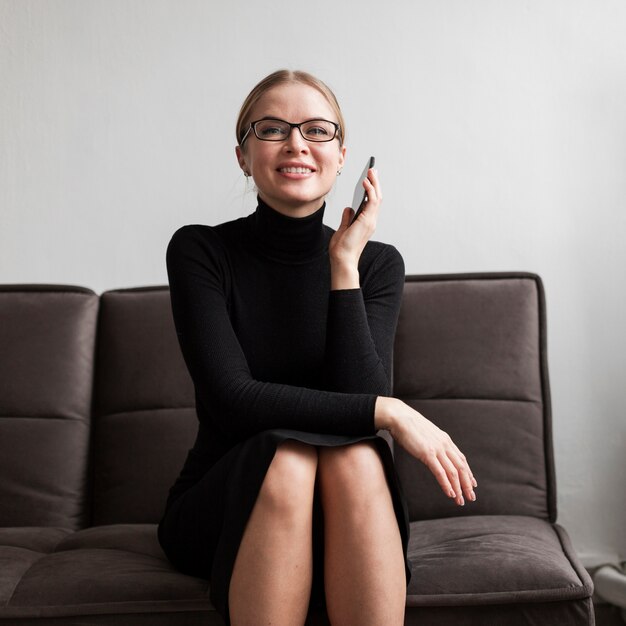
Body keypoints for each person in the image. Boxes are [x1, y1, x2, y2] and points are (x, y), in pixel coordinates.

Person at [158, 69, 477, 626]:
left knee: (355, 457)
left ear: (342, 154)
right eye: (273, 128)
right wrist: (390, 411)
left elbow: (358, 409)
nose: (296, 143)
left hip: (346, 507)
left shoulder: (377, 264)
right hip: (229, 500)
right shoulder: (200, 251)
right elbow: (234, 399)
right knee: (288, 457)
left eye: (316, 130)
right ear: (242, 154)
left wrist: (343, 265)